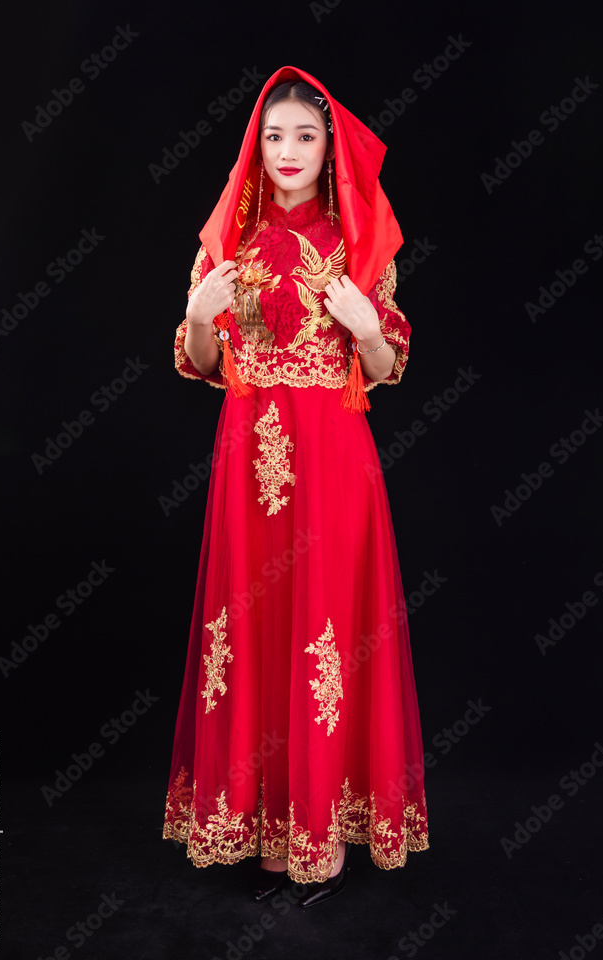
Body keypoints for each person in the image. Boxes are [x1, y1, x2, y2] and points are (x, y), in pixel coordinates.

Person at [162, 66, 429, 908]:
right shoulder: (227, 244)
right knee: (249, 628)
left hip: (333, 460)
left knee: (325, 633)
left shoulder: (360, 242)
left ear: (329, 149)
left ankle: (323, 832)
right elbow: (201, 363)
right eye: (272, 136)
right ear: (256, 145)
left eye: (304, 136)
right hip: (248, 461)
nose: (286, 151)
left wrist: (363, 327)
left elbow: (387, 368)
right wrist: (203, 317)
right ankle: (268, 830)